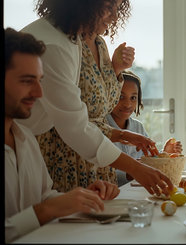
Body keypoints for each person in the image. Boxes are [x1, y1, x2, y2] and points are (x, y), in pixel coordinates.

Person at [17, 0, 174, 196]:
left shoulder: (70, 37)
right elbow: (76, 127)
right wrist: (136, 168)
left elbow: (90, 114)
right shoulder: (54, 46)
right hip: (48, 153)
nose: (116, 17)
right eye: (109, 7)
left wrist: (124, 137)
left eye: (118, 9)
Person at [4, 27, 120, 243]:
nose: (39, 93)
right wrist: (44, 211)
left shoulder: (26, 138)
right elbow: (42, 209)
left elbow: (44, 197)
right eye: (27, 81)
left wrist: (81, 197)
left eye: (40, 80)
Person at [106, 70, 183, 186]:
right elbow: (101, 174)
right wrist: (131, 172)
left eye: (133, 98)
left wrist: (165, 155)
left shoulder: (138, 127)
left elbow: (149, 160)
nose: (127, 104)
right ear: (109, 96)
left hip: (137, 190)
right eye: (121, 96)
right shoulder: (101, 127)